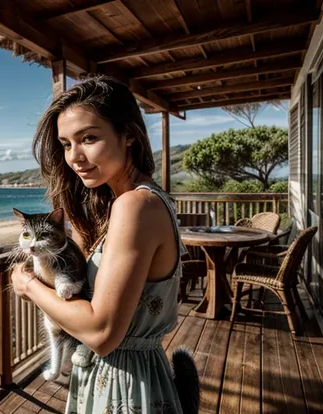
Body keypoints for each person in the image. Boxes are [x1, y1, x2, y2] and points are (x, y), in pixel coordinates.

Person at [10, 75, 198, 414]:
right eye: (66, 144)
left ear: (127, 136)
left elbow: (101, 332)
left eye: (89, 138)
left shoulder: (134, 205)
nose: (75, 157)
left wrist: (27, 286)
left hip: (123, 386)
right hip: (125, 377)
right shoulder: (135, 201)